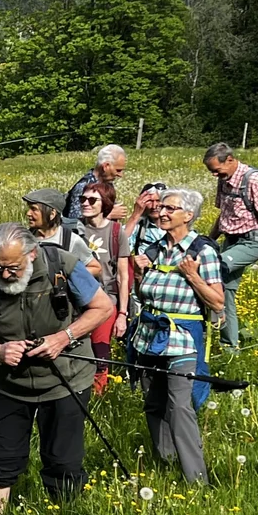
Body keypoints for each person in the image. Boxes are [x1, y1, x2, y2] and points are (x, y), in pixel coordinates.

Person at [0, 222, 114, 515]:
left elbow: (103, 308)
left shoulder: (62, 266)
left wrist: (62, 338)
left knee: (63, 462)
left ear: (31, 253)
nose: (4, 274)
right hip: (9, 384)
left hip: (66, 378)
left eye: (12, 267)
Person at [129, 188, 224, 483]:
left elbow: (218, 302)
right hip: (147, 338)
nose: (163, 212)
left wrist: (193, 275)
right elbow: (144, 294)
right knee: (153, 403)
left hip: (181, 341)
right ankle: (166, 462)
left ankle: (196, 479)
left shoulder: (202, 252)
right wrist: (138, 274)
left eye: (171, 208)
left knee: (180, 407)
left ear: (189, 215)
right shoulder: (156, 248)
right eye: (162, 207)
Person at [202, 142, 258, 350]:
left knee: (213, 268)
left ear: (229, 160)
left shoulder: (253, 180)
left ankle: (208, 324)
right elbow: (224, 215)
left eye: (216, 171)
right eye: (211, 172)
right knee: (224, 290)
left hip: (252, 240)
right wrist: (210, 240)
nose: (214, 176)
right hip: (230, 238)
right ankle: (230, 346)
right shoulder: (224, 179)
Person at [77, 181, 125, 392]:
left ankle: (98, 393)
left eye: (91, 200)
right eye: (82, 199)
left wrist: (122, 313)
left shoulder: (116, 232)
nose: (85, 203)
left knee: (100, 348)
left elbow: (123, 275)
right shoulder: (74, 229)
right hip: (77, 297)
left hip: (105, 298)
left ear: (104, 203)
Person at [64, 143, 128, 222]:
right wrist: (108, 215)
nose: (120, 175)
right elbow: (74, 223)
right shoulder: (83, 186)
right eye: (118, 170)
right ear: (106, 166)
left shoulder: (107, 184)